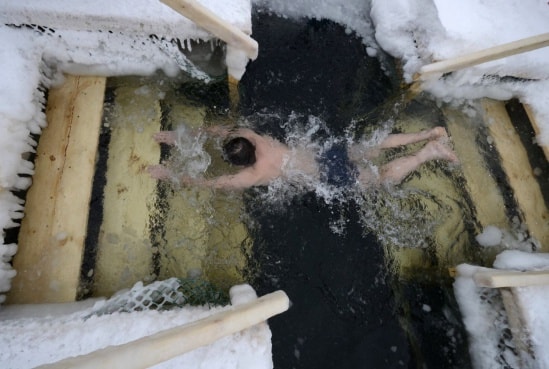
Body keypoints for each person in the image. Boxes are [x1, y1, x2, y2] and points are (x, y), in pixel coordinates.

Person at [147, 125, 459, 191]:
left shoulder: (255, 174)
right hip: (324, 152)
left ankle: (428, 153)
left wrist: (170, 175)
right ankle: (426, 134)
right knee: (370, 145)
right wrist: (179, 136)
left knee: (379, 179)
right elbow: (217, 130)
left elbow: (210, 182)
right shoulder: (250, 134)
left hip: (327, 177)